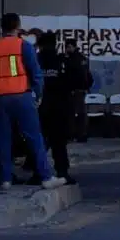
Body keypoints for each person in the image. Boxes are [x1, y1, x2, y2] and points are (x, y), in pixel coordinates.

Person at [0, 14, 65, 191]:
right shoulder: (24, 46)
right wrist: (37, 95)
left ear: (2, 28)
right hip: (21, 96)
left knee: (4, 139)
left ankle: (5, 179)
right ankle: (46, 177)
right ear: (18, 27)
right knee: (34, 137)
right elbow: (36, 73)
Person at [38, 35, 86, 184]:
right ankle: (62, 172)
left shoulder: (35, 61)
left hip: (40, 106)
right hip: (60, 107)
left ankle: (37, 172)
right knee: (58, 142)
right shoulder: (62, 61)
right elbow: (82, 80)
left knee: (39, 141)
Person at [60, 37, 92, 143]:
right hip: (80, 90)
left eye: (68, 47)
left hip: (73, 90)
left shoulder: (71, 60)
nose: (66, 49)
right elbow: (88, 76)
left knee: (71, 114)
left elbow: (70, 76)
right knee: (80, 113)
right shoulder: (82, 58)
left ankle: (72, 135)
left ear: (73, 47)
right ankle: (81, 134)